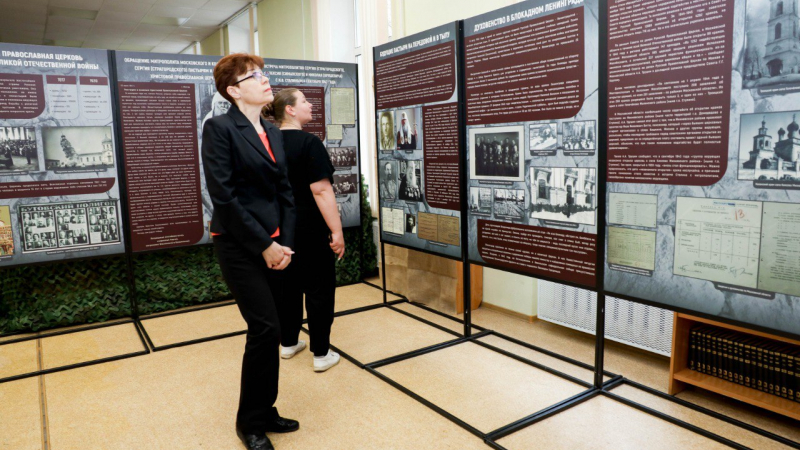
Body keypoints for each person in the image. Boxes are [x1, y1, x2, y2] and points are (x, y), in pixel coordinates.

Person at [201, 53, 298, 450]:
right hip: (240, 245)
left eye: (263, 73)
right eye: (254, 76)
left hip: (277, 244)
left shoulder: (272, 131)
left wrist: (285, 243)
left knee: (273, 330)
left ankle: (266, 410)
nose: (265, 79)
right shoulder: (220, 129)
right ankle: (249, 423)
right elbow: (224, 198)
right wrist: (265, 245)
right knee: (265, 328)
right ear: (234, 90)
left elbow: (285, 192)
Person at [267, 87, 343, 373]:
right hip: (309, 228)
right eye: (305, 101)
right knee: (319, 289)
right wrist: (337, 232)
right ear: (290, 109)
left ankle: (288, 343)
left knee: (286, 286)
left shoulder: (265, 142)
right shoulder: (309, 143)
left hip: (277, 230)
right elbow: (321, 191)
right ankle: (321, 353)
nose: (311, 105)